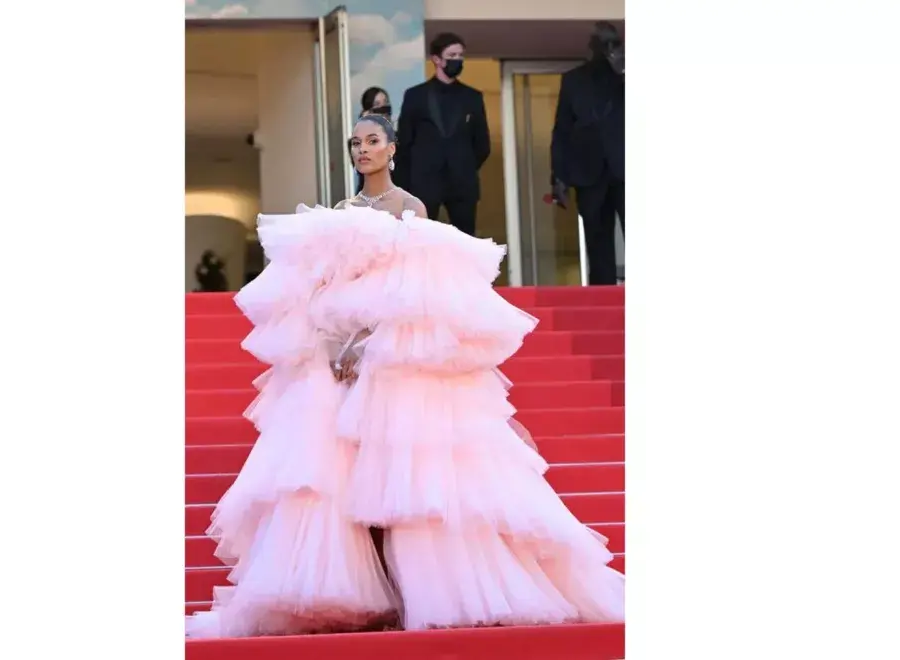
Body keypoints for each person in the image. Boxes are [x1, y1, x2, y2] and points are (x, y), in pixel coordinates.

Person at [184, 114, 624, 638]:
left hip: (394, 360)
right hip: (337, 361)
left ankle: (414, 588)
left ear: (392, 149)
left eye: (372, 141)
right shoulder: (341, 215)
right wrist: (334, 347)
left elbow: (416, 295)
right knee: (335, 475)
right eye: (355, 143)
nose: (362, 150)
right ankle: (355, 592)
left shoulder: (409, 209)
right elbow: (321, 293)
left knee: (403, 478)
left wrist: (371, 344)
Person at [550, 21, 625, 286]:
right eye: (602, 43)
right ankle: (603, 295)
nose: (607, 49)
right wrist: (559, 177)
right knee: (597, 240)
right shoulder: (574, 80)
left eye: (613, 43)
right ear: (592, 46)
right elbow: (562, 131)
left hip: (626, 169)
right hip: (588, 172)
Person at [395, 32, 489, 237]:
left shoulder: (473, 97)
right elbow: (405, 143)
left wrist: (464, 164)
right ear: (436, 59)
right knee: (420, 242)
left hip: (462, 184)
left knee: (465, 242)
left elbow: (482, 144)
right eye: (452, 55)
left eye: (460, 55)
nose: (457, 60)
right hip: (424, 184)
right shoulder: (415, 95)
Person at [355, 86, 395, 195]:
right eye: (377, 105)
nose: (383, 108)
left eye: (385, 103)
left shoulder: (395, 137)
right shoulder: (359, 140)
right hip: (371, 198)